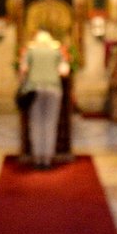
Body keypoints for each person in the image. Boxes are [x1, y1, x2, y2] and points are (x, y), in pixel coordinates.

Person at [19, 30, 70, 168]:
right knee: (50, 123)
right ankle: (47, 159)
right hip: (53, 89)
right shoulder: (56, 52)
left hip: (34, 89)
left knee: (36, 123)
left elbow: (23, 69)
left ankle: (37, 158)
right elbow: (64, 70)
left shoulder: (30, 52)